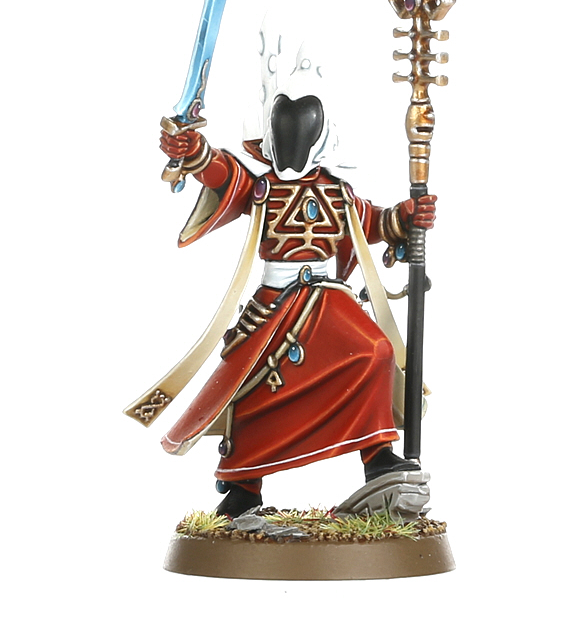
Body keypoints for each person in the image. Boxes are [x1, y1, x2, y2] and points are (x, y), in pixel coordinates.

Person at [159, 50, 436, 518]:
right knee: (250, 388)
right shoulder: (261, 187)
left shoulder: (337, 192)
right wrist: (193, 151)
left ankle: (377, 456)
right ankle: (244, 487)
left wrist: (406, 217)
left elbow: (373, 223)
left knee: (374, 353)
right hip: (275, 302)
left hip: (328, 299)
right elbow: (221, 173)